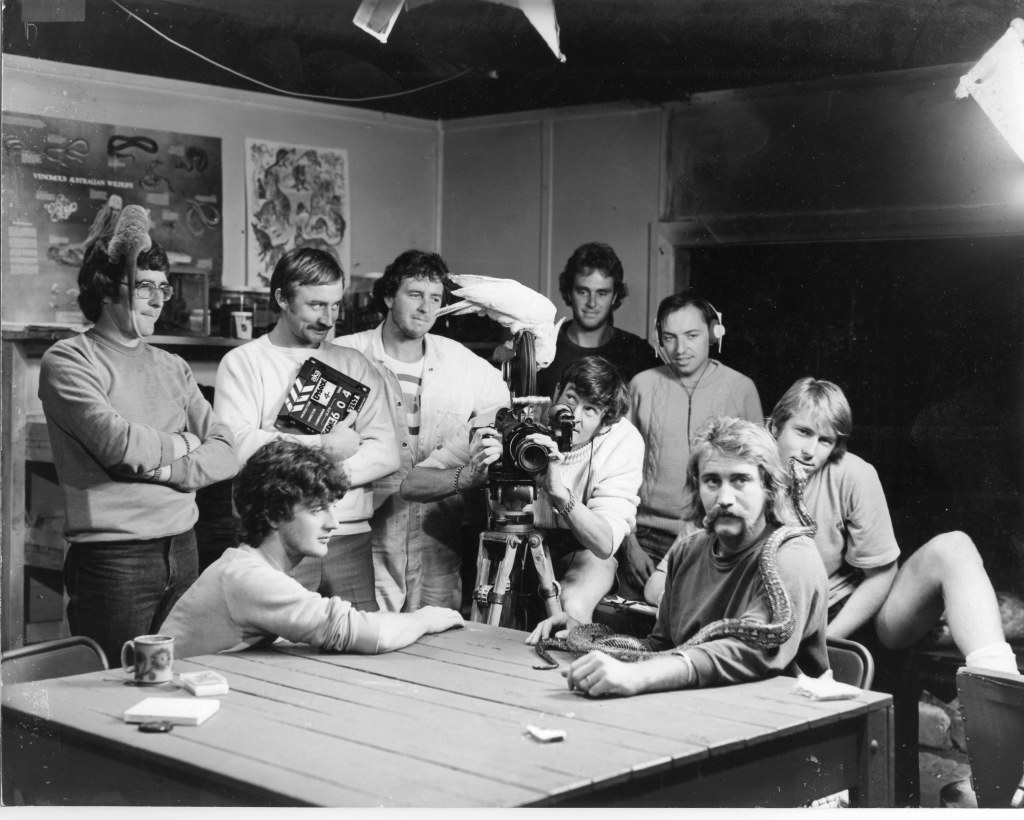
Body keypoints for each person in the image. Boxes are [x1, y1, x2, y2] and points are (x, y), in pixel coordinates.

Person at [38, 204, 238, 664]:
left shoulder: (174, 367)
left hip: (183, 547)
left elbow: (226, 453)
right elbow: (122, 448)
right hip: (113, 560)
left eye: (163, 287)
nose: (159, 298)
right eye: (145, 286)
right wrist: (187, 445)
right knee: (110, 689)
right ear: (107, 289)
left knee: (177, 682)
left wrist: (162, 462)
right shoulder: (70, 360)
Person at [528, 416, 829, 697]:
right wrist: (582, 633)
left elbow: (750, 649)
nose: (724, 499)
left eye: (740, 481)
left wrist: (640, 676)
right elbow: (662, 647)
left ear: (768, 487)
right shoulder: (689, 552)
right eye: (712, 481)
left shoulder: (792, 555)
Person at [762, 377, 1019, 674]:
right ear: (775, 427)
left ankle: (997, 681)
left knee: (956, 547)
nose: (810, 450)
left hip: (860, 612)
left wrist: (828, 639)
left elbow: (881, 576)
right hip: (788, 614)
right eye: (803, 432)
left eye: (825, 440)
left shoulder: (854, 474)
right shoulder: (745, 474)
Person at [214, 247, 400, 612]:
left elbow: (386, 452)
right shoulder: (243, 363)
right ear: (282, 298)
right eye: (316, 305)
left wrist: (307, 473)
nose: (328, 319)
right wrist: (324, 446)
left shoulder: (354, 363)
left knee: (361, 648)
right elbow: (237, 447)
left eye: (335, 306)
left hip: (348, 532)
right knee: (279, 653)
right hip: (279, 535)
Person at [161, 440, 464, 658]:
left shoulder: (247, 567)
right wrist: (424, 619)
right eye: (317, 510)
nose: (333, 523)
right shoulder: (249, 578)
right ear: (272, 512)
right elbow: (371, 635)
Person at [400, 355, 643, 624]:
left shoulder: (622, 441)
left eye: (590, 410)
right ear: (556, 391)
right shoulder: (507, 421)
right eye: (571, 398)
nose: (573, 417)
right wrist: (469, 476)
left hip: (582, 548)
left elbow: (604, 543)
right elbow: (411, 485)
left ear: (605, 423)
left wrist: (559, 492)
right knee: (496, 618)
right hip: (510, 538)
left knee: (571, 604)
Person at [333, 250, 507, 612]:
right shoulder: (344, 355)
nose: (426, 308)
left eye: (435, 299)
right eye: (415, 295)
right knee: (366, 640)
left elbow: (501, 413)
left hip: (437, 538)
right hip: (366, 536)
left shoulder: (461, 363)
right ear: (387, 296)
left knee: (438, 644)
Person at [617, 290, 763, 600]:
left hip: (714, 536)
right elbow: (617, 474)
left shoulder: (742, 389)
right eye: (669, 338)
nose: (680, 349)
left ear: (713, 333)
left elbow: (759, 479)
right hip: (644, 538)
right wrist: (629, 545)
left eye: (692, 335)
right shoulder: (641, 385)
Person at [535, 241, 657, 398]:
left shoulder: (638, 352)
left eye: (602, 293)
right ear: (569, 292)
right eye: (583, 291)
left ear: (614, 297)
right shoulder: (542, 348)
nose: (592, 303)